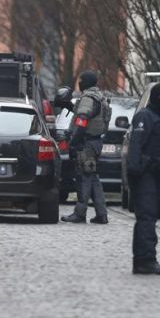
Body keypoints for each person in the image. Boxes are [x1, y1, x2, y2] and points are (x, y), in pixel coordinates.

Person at [127, 83, 160, 275]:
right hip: (145, 174)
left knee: (148, 217)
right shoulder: (145, 117)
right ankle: (146, 259)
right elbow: (136, 146)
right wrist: (136, 171)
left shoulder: (158, 118)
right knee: (147, 217)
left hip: (155, 174)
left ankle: (142, 260)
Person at [61, 70, 111, 224]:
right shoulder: (99, 97)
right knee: (92, 177)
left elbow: (82, 120)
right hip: (95, 142)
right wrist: (68, 105)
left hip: (87, 144)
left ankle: (79, 213)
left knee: (83, 178)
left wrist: (74, 142)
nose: (79, 82)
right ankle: (101, 214)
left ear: (86, 82)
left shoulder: (88, 98)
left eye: (81, 80)